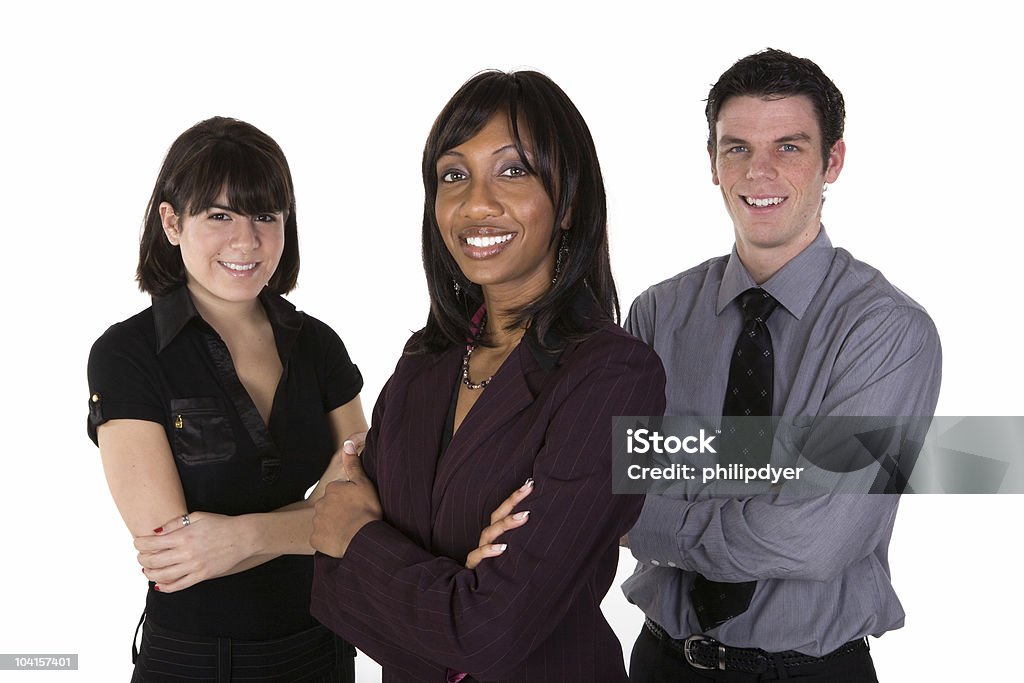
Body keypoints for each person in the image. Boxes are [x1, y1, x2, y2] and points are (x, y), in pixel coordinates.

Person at [307, 70, 666, 682]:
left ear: (570, 199)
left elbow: (486, 632)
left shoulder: (617, 377)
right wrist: (453, 592)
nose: (476, 203)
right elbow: (331, 593)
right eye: (453, 175)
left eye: (513, 170)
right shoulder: (423, 364)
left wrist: (358, 536)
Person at [622, 49, 942, 681]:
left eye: (789, 147)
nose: (759, 171)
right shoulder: (658, 315)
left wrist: (657, 515)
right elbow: (608, 489)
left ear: (834, 162)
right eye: (736, 147)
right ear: (712, 164)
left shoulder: (885, 331)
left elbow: (817, 539)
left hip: (809, 672)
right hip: (661, 662)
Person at [86, 117, 368, 682]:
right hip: (194, 657)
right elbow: (175, 554)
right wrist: (318, 523)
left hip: (323, 645)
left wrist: (241, 536)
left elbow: (363, 503)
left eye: (265, 216)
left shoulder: (318, 344)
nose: (247, 241)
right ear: (172, 221)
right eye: (219, 215)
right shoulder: (126, 354)